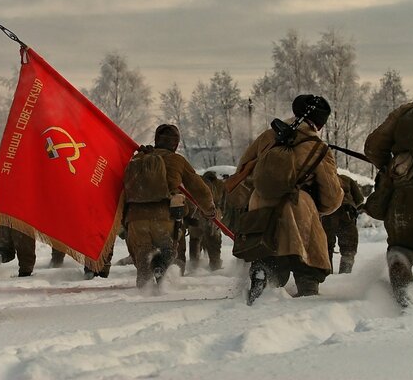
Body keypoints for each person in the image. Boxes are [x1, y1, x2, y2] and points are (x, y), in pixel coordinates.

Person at [238, 95, 343, 304]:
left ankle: (263, 275)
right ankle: (307, 294)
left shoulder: (268, 136)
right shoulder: (317, 147)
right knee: (307, 256)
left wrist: (260, 192)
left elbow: (243, 169)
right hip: (298, 205)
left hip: (259, 202)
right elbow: (331, 196)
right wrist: (319, 207)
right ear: (320, 122)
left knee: (265, 248)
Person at [364, 70, 413, 307]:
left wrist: (392, 166)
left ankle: (401, 276)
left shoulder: (405, 112)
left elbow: (372, 147)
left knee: (402, 247)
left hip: (406, 193)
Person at [123, 124, 216, 289]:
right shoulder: (177, 160)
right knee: (169, 250)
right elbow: (199, 189)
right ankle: (160, 268)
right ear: (176, 144)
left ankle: (142, 296)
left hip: (135, 219)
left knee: (143, 260)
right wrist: (209, 210)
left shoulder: (138, 158)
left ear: (157, 139)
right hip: (164, 217)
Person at [322, 173, 364, 274]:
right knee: (349, 248)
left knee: (326, 247)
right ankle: (345, 274)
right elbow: (360, 199)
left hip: (327, 214)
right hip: (346, 213)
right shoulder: (346, 179)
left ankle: (327, 274)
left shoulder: (320, 178)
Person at [187, 171, 226, 272]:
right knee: (214, 240)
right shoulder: (220, 185)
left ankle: (193, 265)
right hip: (212, 214)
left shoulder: (196, 184)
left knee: (195, 240)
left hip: (196, 214)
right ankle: (215, 265)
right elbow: (224, 203)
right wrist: (221, 213)